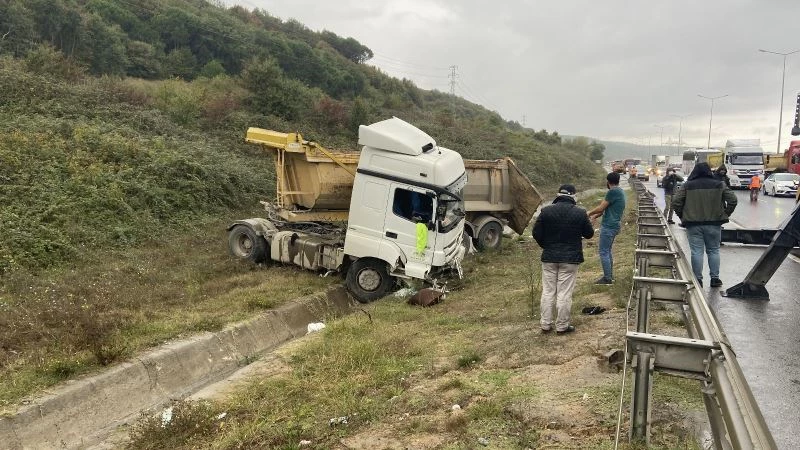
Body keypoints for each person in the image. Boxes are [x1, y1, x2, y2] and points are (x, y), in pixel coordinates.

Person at [532, 184, 594, 335]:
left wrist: (546, 245)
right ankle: (562, 326)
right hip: (570, 259)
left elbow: (535, 233)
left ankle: (545, 325)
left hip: (549, 258)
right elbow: (589, 234)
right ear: (573, 196)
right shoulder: (580, 213)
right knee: (564, 293)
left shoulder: (546, 211)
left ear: (558, 195)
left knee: (548, 292)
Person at [671, 163, 737, 288]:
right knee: (713, 250)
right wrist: (724, 214)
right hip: (714, 224)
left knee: (697, 252)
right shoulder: (719, 184)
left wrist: (683, 216)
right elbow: (733, 200)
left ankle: (698, 280)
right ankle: (715, 279)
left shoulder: (687, 185)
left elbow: (676, 201)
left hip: (693, 225)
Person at [588, 172, 627, 284]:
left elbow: (601, 208)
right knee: (607, 251)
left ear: (608, 181)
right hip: (615, 225)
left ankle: (607, 278)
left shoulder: (612, 191)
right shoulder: (620, 191)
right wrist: (595, 216)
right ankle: (609, 276)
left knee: (603, 251)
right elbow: (607, 209)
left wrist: (588, 213)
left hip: (609, 226)